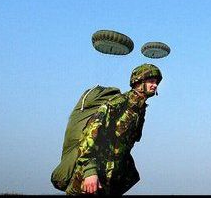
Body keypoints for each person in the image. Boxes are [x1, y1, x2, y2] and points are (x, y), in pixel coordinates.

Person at [64, 64, 162, 195]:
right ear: (138, 82)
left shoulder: (139, 110)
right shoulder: (118, 103)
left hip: (110, 180)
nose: (155, 85)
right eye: (151, 81)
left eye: (156, 82)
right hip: (90, 180)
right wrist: (89, 172)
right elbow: (90, 136)